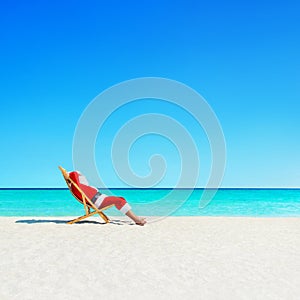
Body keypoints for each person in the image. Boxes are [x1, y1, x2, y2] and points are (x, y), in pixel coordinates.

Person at [68, 171, 146, 226]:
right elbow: (74, 173)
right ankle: (136, 220)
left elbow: (78, 175)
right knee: (119, 201)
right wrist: (71, 174)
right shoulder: (77, 187)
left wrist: (71, 176)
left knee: (120, 198)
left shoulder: (80, 187)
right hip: (99, 201)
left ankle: (135, 217)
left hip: (100, 199)